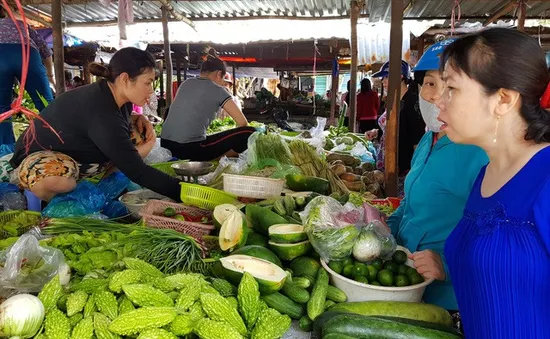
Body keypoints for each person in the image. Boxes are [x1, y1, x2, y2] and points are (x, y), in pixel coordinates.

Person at [439, 28, 550, 339]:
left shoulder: (546, 179)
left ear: (502, 100)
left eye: (451, 88)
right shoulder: (485, 176)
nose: (437, 99)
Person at [385, 39, 488, 314]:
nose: (437, 97)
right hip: (409, 284)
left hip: (451, 302)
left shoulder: (479, 152)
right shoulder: (428, 140)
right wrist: (387, 227)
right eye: (429, 83)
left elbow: (496, 239)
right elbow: (410, 202)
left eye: (449, 85)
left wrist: (448, 265)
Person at [9, 47, 181, 202]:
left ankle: (105, 188)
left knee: (139, 135)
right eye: (148, 82)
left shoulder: (116, 96)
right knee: (60, 182)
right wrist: (181, 191)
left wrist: (137, 117)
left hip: (76, 155)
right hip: (36, 159)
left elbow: (114, 128)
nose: (151, 90)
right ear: (125, 79)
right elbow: (137, 171)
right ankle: (55, 201)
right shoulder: (100, 109)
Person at [161, 51, 255, 161]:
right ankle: (212, 160)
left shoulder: (186, 83)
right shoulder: (218, 90)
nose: (222, 82)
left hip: (165, 145)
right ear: (219, 74)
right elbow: (242, 123)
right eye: (223, 78)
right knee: (249, 132)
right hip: (190, 149)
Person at [0, 5, 54, 145]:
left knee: (1, 109)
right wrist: (49, 75)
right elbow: (46, 52)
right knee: (46, 103)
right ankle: (59, 141)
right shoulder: (23, 25)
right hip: (28, 56)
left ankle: (5, 150)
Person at [371, 60, 425, 177]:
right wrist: (376, 132)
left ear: (400, 76)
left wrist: (416, 173)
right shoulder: (394, 100)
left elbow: (417, 141)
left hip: (403, 171)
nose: (383, 81)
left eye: (386, 77)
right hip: (388, 166)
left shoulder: (412, 103)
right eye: (382, 78)